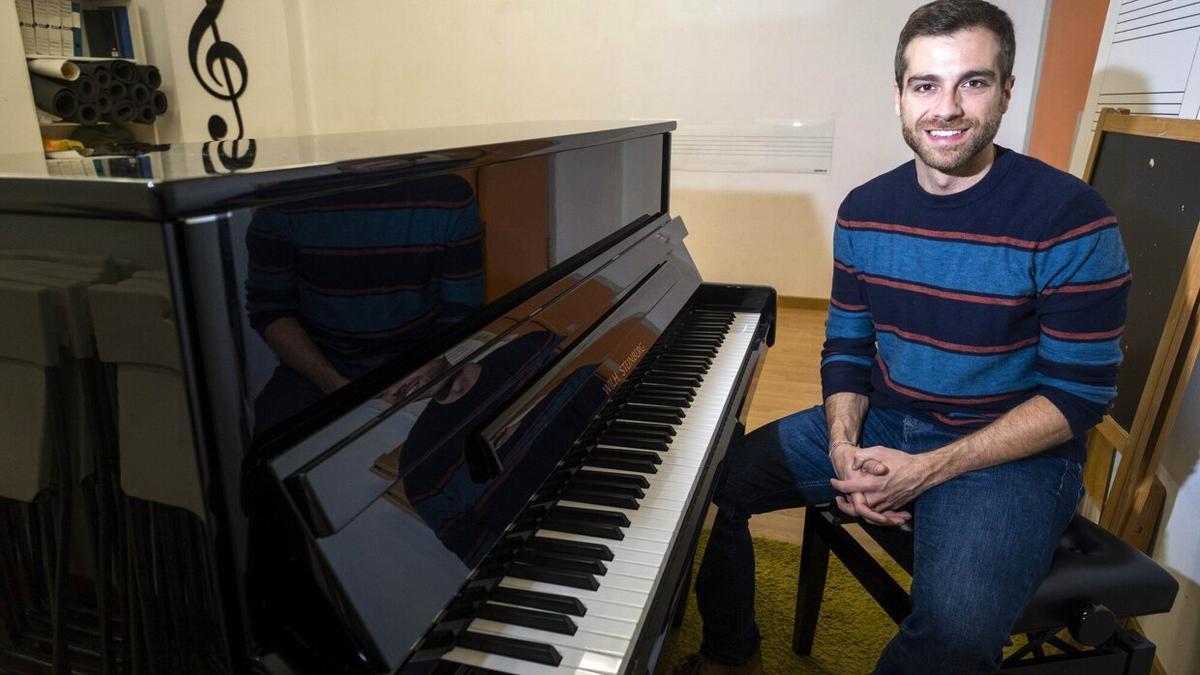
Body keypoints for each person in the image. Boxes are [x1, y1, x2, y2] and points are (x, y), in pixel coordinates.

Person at [671, 2, 1130, 673]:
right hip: (892, 418)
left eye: (972, 82)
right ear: (899, 97)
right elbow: (848, 350)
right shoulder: (864, 210)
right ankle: (729, 648)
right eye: (926, 85)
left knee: (955, 633)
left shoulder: (1071, 219)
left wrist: (925, 470)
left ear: (1006, 91)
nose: (945, 108)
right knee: (721, 476)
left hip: (1015, 453)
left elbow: (1077, 399)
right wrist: (844, 448)